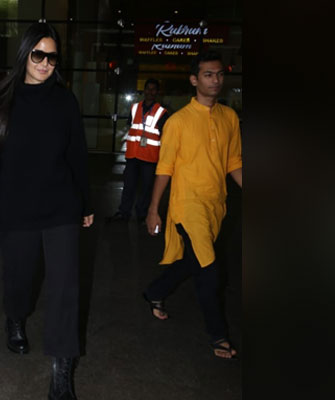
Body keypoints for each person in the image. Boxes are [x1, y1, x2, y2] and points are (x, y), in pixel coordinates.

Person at [0, 22, 93, 400]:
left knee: (65, 289)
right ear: (25, 54)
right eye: (38, 54)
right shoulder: (1, 102)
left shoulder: (65, 101)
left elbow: (77, 156)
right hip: (17, 209)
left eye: (52, 57)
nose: (44, 63)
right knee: (20, 279)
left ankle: (61, 372)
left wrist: (86, 203)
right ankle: (15, 316)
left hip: (61, 208)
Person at [142, 50, 242, 359]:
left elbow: (234, 162)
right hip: (187, 206)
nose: (215, 80)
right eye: (208, 75)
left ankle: (155, 292)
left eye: (219, 74)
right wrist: (153, 209)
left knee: (194, 261)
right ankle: (218, 335)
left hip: (216, 205)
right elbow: (165, 168)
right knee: (209, 271)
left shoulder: (229, 118)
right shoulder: (178, 122)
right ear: (194, 80)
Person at [107, 78, 169, 224]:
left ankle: (142, 214)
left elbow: (165, 136)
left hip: (149, 157)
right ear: (144, 90)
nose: (150, 92)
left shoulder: (162, 112)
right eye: (148, 89)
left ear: (157, 92)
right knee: (128, 186)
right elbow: (131, 128)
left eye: (153, 89)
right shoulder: (134, 108)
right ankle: (124, 213)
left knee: (146, 188)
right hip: (133, 155)